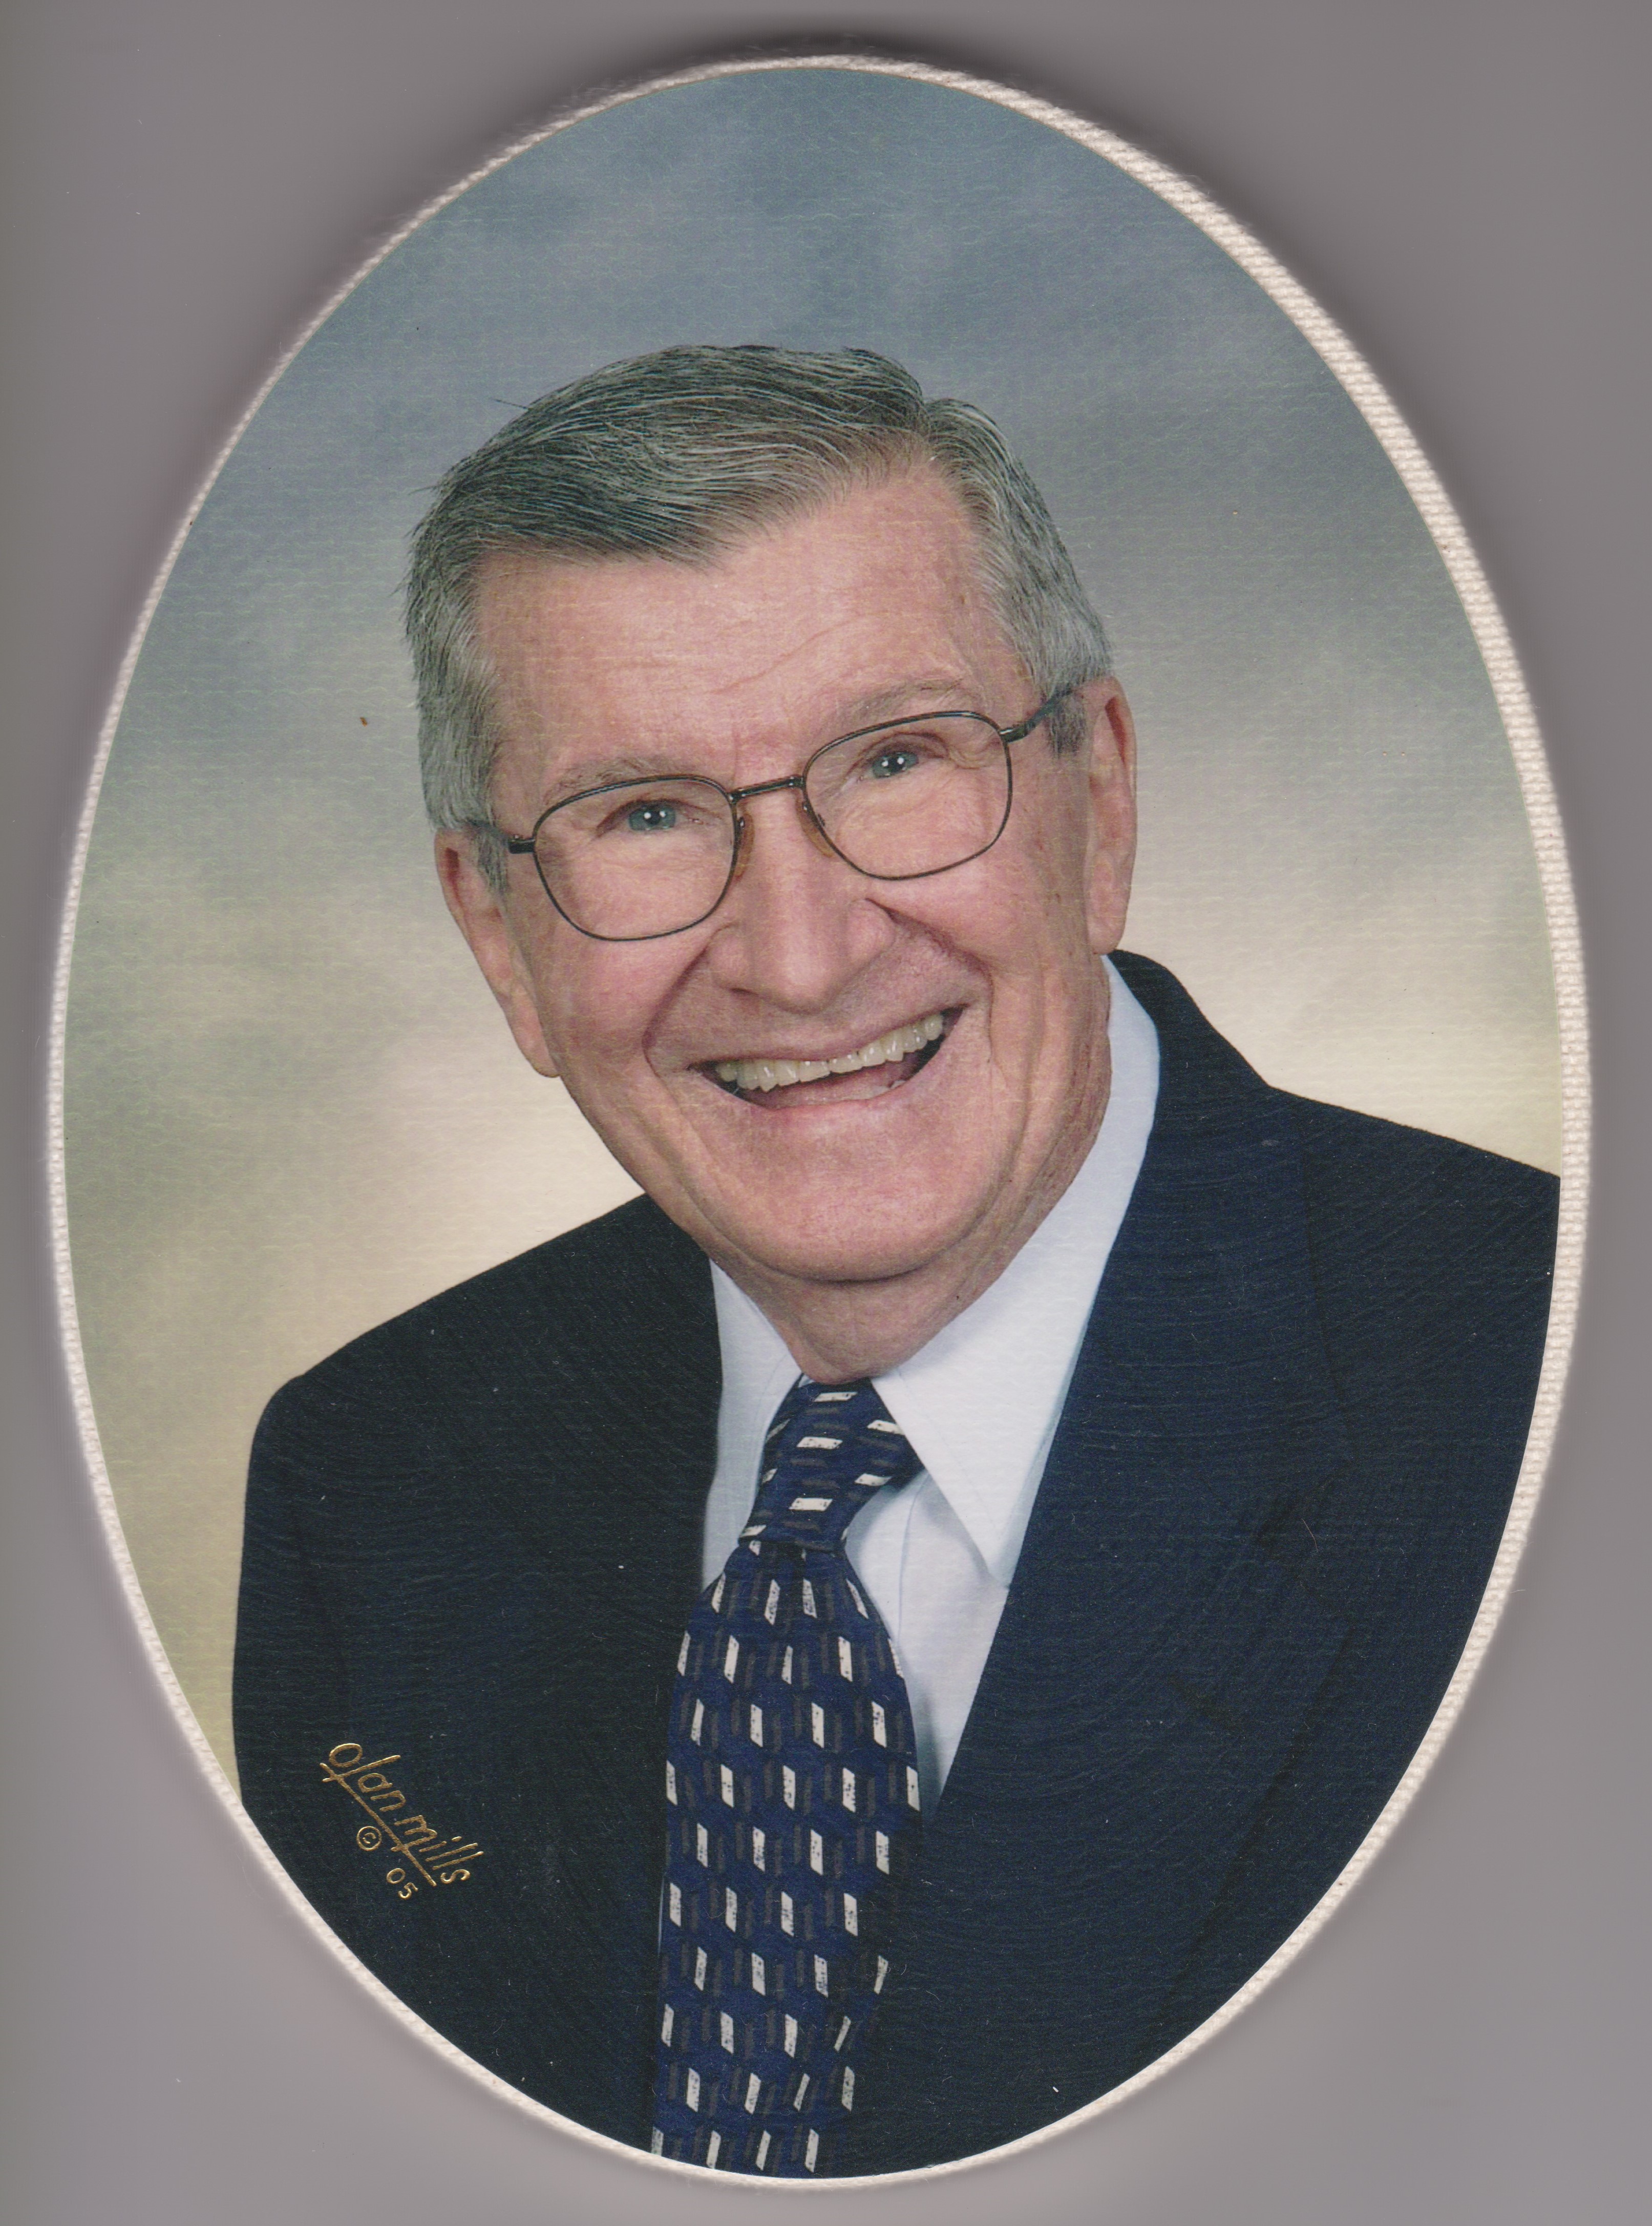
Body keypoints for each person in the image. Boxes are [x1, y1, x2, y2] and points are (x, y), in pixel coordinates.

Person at [234, 345, 1556, 2177]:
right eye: (644, 813)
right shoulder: (372, 1474)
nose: (798, 956)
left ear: (1097, 796)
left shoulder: (1560, 1400)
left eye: (895, 760)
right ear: (500, 934)